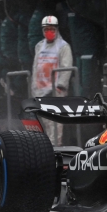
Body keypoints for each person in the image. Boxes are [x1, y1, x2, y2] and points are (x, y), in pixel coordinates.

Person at [31, 15, 73, 145]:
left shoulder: (63, 47)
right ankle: (46, 152)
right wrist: (33, 89)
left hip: (55, 93)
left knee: (55, 126)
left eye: (52, 29)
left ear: (57, 30)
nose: (49, 32)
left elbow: (66, 67)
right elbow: (35, 68)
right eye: (47, 29)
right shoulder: (39, 46)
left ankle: (54, 154)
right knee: (44, 125)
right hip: (40, 92)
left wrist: (60, 86)